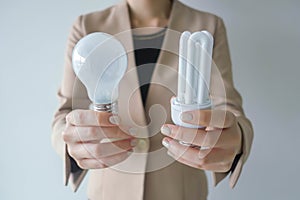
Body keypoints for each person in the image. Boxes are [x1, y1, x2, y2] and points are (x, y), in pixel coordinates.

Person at [51, 0, 253, 199]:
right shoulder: (87, 26)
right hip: (111, 191)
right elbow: (65, 115)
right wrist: (72, 143)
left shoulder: (208, 26)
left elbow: (229, 108)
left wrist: (237, 137)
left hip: (179, 191)